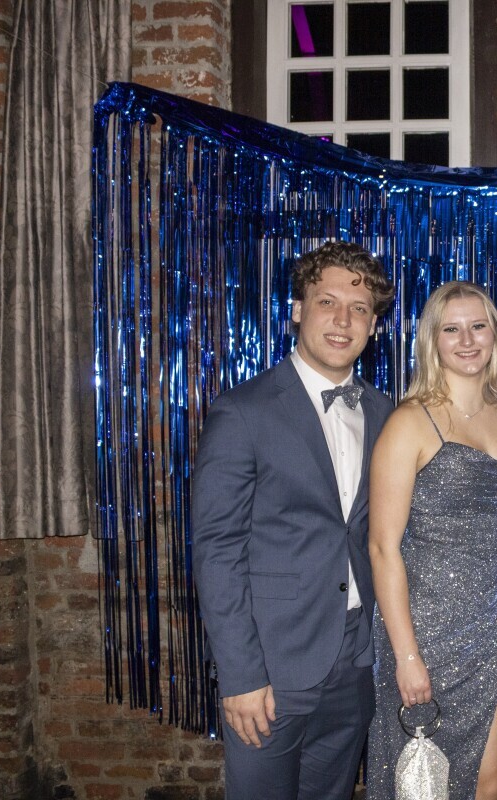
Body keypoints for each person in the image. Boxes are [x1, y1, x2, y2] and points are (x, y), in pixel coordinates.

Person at [191, 241, 395, 800]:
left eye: (359, 309)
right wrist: (241, 675)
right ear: (297, 310)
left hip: (357, 662)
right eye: (327, 302)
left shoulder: (384, 413)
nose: (343, 320)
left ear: (374, 325)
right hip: (271, 667)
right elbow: (216, 551)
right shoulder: (243, 410)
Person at [365, 281, 497, 800]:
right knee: (422, 787)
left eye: (478, 326)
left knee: (488, 782)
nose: (467, 340)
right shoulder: (409, 422)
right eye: (451, 329)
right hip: (421, 631)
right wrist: (407, 656)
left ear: (495, 335)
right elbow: (382, 548)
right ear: (432, 340)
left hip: (488, 630)